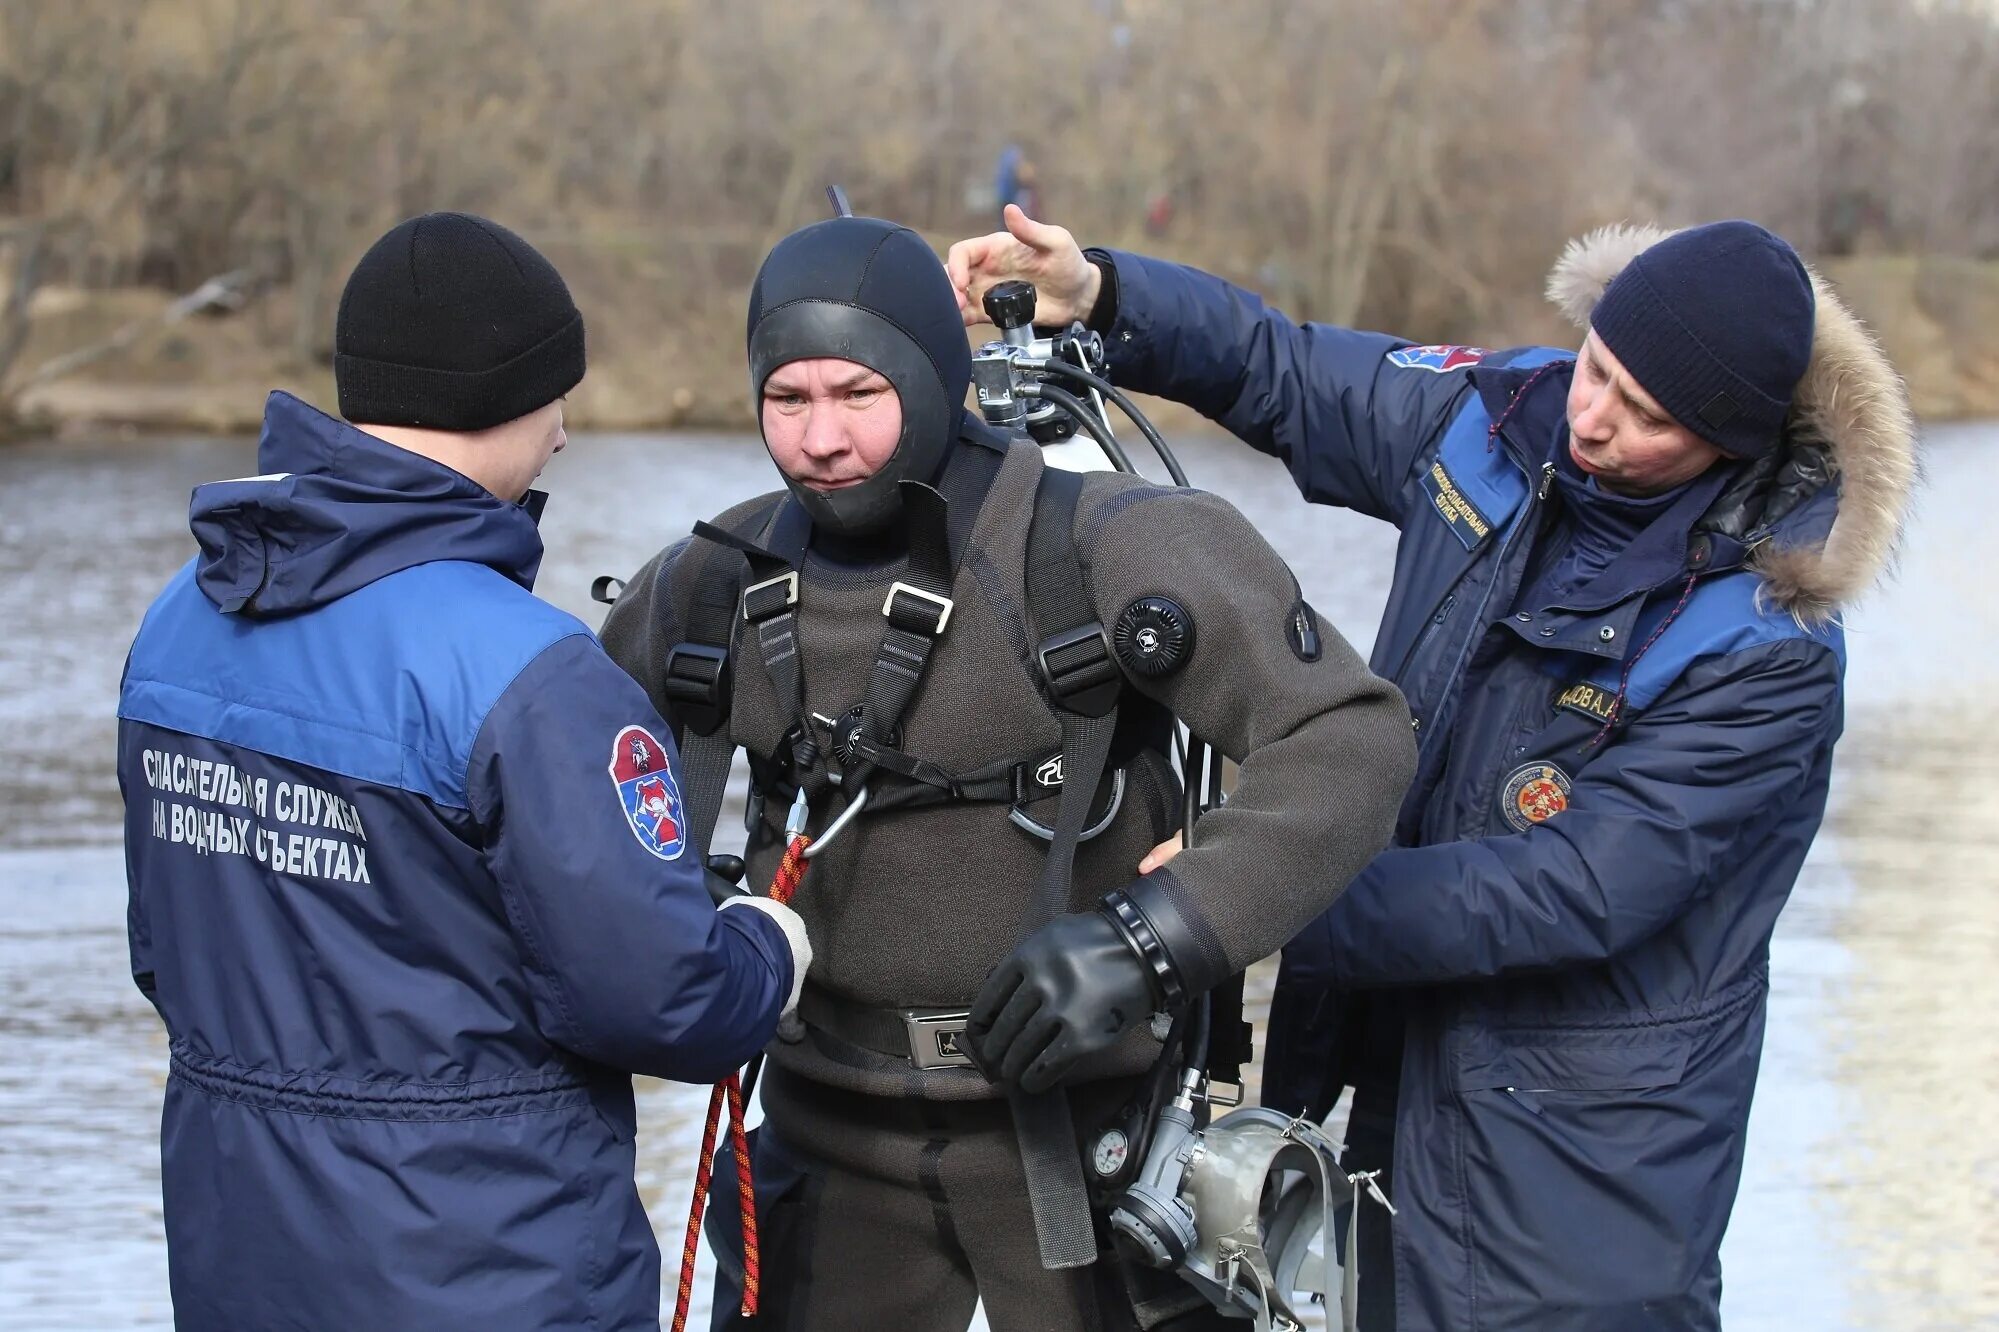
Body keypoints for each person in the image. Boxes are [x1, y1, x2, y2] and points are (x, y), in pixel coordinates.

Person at [948, 207, 1916, 1330]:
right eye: (1598, 368)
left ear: (1732, 445)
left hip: (1577, 1169)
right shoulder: (1502, 419)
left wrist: (1249, 892)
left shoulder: (1767, 646)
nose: (1592, 421)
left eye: (1646, 417)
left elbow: (1572, 889)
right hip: (1386, 1076)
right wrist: (1104, 295)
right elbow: (1286, 371)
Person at [598, 214, 1415, 1331]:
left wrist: (1157, 935)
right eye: (787, 400)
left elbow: (1351, 740)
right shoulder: (707, 584)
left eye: (857, 393)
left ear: (934, 380)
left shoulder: (1107, 547)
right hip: (825, 1143)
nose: (821, 439)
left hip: (1086, 1146)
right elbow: (560, 804)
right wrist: (656, 913)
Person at [117, 212, 811, 1331]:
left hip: (239, 1243)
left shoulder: (179, 621)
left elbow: (165, 955)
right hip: (483, 1259)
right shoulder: (529, 676)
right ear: (508, 400)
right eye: (555, 400)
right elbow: (664, 1006)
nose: (566, 437)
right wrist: (764, 952)